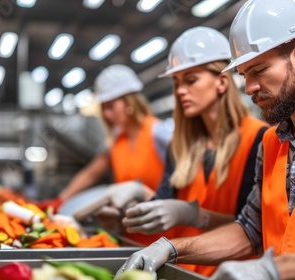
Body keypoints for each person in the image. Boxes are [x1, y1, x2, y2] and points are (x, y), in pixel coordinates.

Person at [115, 0, 295, 279]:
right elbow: (249, 231)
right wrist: (172, 247)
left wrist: (274, 270)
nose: (249, 87)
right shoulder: (272, 143)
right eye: (244, 74)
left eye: (258, 70)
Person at [101, 26, 267, 276]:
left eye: (191, 80)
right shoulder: (180, 147)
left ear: (222, 82)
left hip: (232, 272)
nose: (180, 91)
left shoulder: (259, 139)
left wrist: (194, 215)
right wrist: (127, 216)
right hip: (183, 269)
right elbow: (163, 202)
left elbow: (254, 226)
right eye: (177, 83)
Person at [38, 64, 172, 245]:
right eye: (104, 108)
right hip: (131, 234)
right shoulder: (117, 141)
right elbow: (90, 173)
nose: (107, 114)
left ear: (129, 102)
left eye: (111, 106)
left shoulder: (159, 134)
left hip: (164, 236)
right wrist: (60, 199)